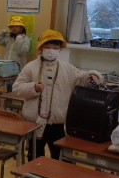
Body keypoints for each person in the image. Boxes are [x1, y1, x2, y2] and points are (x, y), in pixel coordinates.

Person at [12, 29, 101, 160]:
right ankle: (35, 173)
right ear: (41, 48)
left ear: (60, 50)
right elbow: (17, 88)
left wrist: (91, 75)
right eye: (48, 47)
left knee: (60, 158)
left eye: (55, 48)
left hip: (58, 123)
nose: (51, 50)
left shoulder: (67, 68)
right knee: (35, 158)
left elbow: (81, 78)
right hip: (34, 123)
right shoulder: (30, 67)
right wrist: (34, 87)